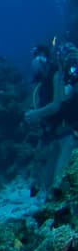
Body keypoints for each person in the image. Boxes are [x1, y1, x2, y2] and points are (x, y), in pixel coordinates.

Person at [25, 42, 78, 194]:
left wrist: (35, 113)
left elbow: (56, 105)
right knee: (50, 176)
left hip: (66, 130)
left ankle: (58, 194)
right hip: (54, 132)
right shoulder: (42, 83)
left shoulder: (56, 74)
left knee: (59, 177)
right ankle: (50, 195)